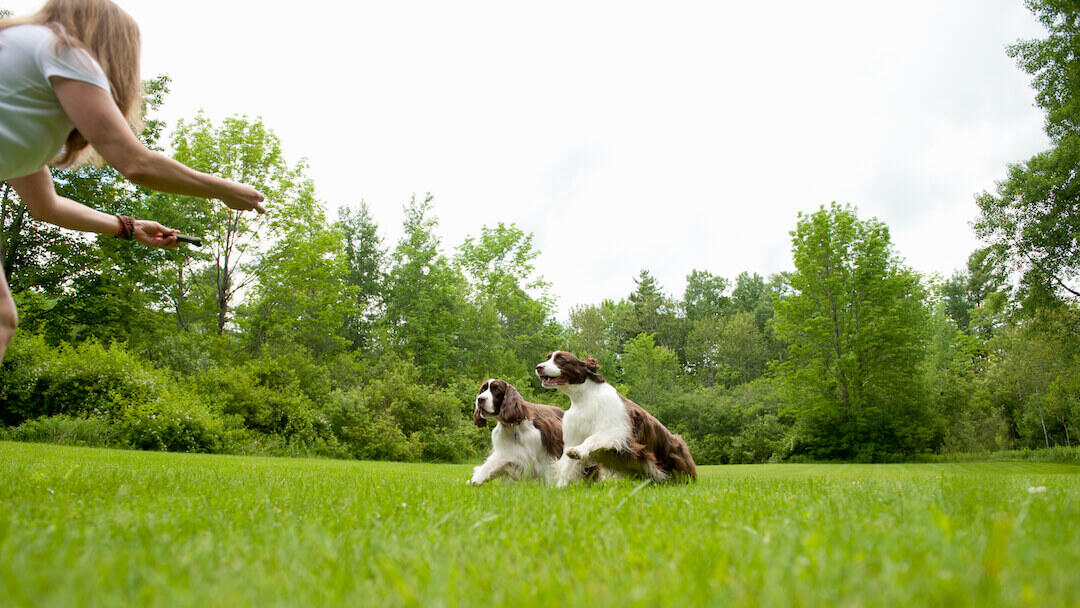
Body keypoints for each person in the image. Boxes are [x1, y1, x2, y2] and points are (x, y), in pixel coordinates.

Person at [0, 0, 266, 364]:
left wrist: (128, 227)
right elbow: (135, 163)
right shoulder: (64, 51)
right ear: (112, 47)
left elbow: (46, 205)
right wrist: (223, 189)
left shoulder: (19, 87)